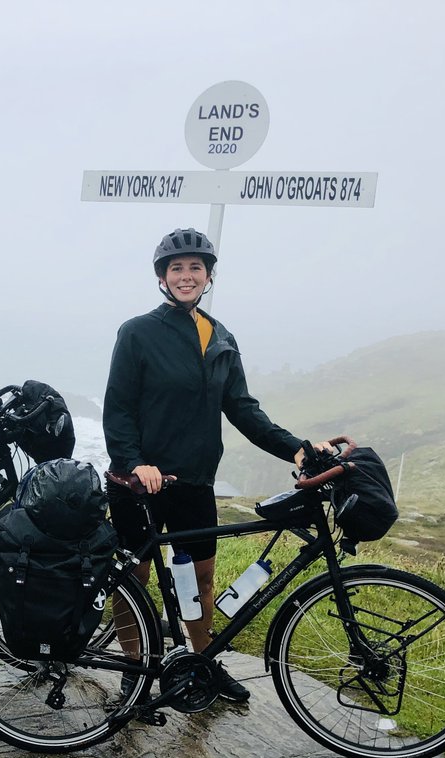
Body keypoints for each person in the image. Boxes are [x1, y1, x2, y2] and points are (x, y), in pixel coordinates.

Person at [102, 227, 333, 703]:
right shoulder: (137, 332)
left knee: (201, 577)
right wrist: (133, 461)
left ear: (208, 276)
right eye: (176, 268)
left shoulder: (220, 336)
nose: (186, 276)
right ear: (162, 277)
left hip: (194, 481)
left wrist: (297, 448)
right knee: (135, 578)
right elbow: (119, 407)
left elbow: (243, 409)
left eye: (195, 268)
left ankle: (201, 663)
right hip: (139, 482)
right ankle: (133, 669)